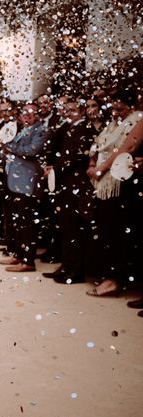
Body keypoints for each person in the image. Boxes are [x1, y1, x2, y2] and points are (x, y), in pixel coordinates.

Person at [86, 89, 143, 297]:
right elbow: (99, 146)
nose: (116, 112)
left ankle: (115, 279)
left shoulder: (137, 119)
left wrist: (101, 170)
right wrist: (93, 163)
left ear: (132, 105)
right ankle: (109, 276)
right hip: (103, 184)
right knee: (104, 229)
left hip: (119, 183)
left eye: (120, 108)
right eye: (113, 108)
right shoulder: (112, 123)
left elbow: (123, 150)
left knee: (116, 232)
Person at [42, 98, 98, 284]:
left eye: (72, 109)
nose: (67, 112)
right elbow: (55, 145)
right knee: (65, 227)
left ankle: (76, 270)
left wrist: (55, 170)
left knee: (74, 228)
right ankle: (66, 265)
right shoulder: (68, 127)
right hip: (64, 182)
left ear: (82, 111)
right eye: (66, 109)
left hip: (77, 184)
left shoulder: (87, 129)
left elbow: (75, 156)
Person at [0, 103, 47, 272]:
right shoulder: (22, 129)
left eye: (31, 113)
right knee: (17, 220)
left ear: (38, 114)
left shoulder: (40, 130)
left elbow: (32, 150)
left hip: (27, 180)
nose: (27, 115)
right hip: (14, 179)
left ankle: (28, 260)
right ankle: (19, 254)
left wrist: (9, 147)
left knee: (27, 222)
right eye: (24, 113)